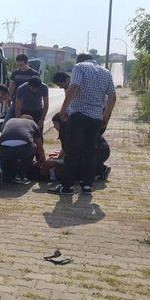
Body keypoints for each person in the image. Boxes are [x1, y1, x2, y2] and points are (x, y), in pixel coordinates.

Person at [52, 53, 116, 195]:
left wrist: (63, 109)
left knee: (73, 151)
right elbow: (112, 95)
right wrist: (105, 116)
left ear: (79, 60)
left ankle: (67, 186)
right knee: (90, 152)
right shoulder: (105, 72)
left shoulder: (79, 67)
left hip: (78, 115)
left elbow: (73, 87)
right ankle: (87, 186)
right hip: (95, 118)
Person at [0, 114, 46, 184]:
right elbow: (40, 147)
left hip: (3, 146)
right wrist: (42, 159)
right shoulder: (33, 123)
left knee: (7, 173)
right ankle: (20, 176)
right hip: (23, 147)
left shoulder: (10, 120)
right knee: (34, 147)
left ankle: (3, 176)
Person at [7, 54, 40, 118]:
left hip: (30, 104)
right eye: (18, 65)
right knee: (6, 123)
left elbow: (37, 88)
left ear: (27, 63)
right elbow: (11, 87)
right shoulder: (15, 73)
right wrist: (8, 99)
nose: (19, 67)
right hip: (16, 102)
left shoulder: (34, 73)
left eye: (21, 65)